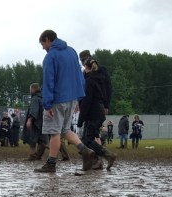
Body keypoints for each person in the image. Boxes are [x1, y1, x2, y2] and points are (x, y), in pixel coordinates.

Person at [33, 29, 94, 173]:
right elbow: (79, 76)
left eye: (43, 44)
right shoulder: (72, 51)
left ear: (48, 39)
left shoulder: (50, 57)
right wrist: (79, 97)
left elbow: (49, 82)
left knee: (54, 132)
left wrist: (47, 104)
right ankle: (85, 151)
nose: (43, 48)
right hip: (72, 97)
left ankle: (51, 164)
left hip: (57, 99)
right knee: (65, 130)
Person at [78, 52, 117, 170]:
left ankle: (106, 155)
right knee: (88, 138)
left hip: (93, 111)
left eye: (84, 63)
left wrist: (81, 118)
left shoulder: (90, 79)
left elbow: (87, 100)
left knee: (87, 139)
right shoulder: (97, 78)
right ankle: (95, 161)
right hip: (97, 110)